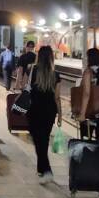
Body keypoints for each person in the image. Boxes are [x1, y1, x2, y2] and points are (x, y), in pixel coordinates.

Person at [27, 46, 62, 184]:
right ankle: (41, 169)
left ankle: (46, 171)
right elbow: (57, 97)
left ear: (39, 57)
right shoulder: (56, 75)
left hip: (34, 110)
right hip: (49, 111)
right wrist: (60, 115)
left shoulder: (33, 70)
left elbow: (27, 88)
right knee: (44, 140)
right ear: (51, 57)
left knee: (38, 141)